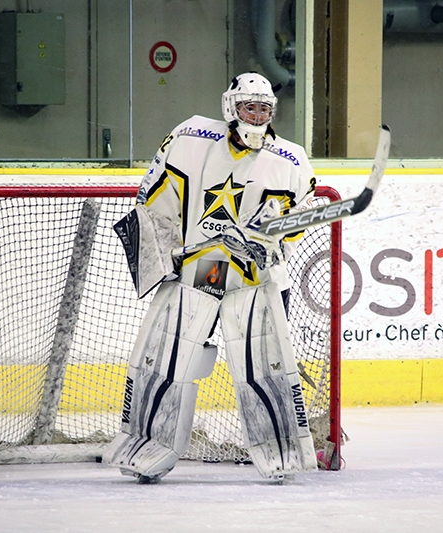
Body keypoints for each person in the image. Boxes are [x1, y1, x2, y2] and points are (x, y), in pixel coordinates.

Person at [104, 72, 318, 483]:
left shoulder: (291, 159)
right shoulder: (191, 138)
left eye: (264, 109)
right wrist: (163, 253)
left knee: (264, 369)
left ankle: (281, 452)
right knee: (166, 362)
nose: (257, 116)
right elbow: (152, 198)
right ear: (230, 107)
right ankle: (146, 446)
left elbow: (298, 217)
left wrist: (270, 242)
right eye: (249, 107)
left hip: (253, 278)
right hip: (202, 268)